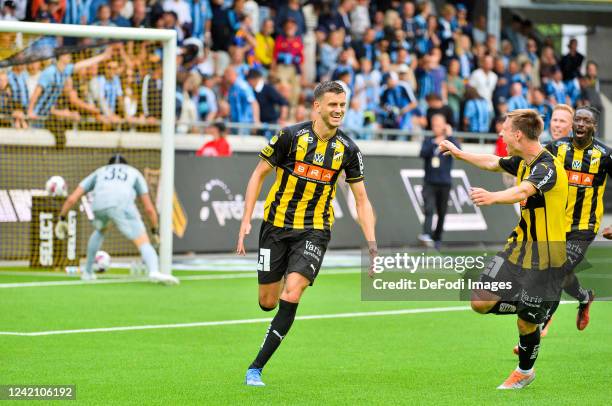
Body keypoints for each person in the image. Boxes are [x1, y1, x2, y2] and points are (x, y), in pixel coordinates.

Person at [237, 81, 377, 387]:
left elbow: (361, 200)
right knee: (266, 302)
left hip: (314, 230)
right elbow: (258, 174)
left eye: (343, 105)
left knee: (293, 292)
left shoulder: (348, 150)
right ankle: (289, 272)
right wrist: (246, 220)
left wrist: (372, 245)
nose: (339, 110)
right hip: (274, 226)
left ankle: (256, 368)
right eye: (333, 105)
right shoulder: (290, 137)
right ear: (317, 106)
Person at [440, 109, 568, 389]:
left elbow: (523, 192)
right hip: (517, 249)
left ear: (518, 134)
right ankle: (537, 307)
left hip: (545, 260)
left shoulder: (547, 167)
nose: (501, 135)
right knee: (480, 301)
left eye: (505, 130)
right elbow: (493, 162)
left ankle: (524, 370)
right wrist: (460, 154)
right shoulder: (522, 160)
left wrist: (493, 197)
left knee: (526, 325)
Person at [532, 107, 612, 337]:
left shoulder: (604, 155)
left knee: (557, 271)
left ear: (594, 126)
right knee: (561, 272)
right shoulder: (557, 148)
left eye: (586, 121)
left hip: (583, 227)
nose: (581, 124)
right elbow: (528, 161)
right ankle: (584, 297)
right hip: (554, 224)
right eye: (578, 119)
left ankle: (537, 328)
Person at [55, 154, 179, 285]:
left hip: (99, 205)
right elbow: (149, 209)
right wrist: (155, 230)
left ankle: (87, 272)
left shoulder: (100, 171)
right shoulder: (133, 172)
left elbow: (72, 199)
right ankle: (154, 271)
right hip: (121, 204)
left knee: (100, 230)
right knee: (143, 241)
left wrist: (62, 218)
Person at [418, 114, 459, 249]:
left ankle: (437, 237)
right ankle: (426, 234)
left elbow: (459, 152)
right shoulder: (429, 140)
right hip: (430, 181)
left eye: (438, 125)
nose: (436, 127)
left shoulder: (449, 142)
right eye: (434, 125)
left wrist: (450, 136)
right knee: (428, 208)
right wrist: (434, 143)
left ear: (444, 126)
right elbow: (422, 153)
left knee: (442, 212)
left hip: (444, 183)